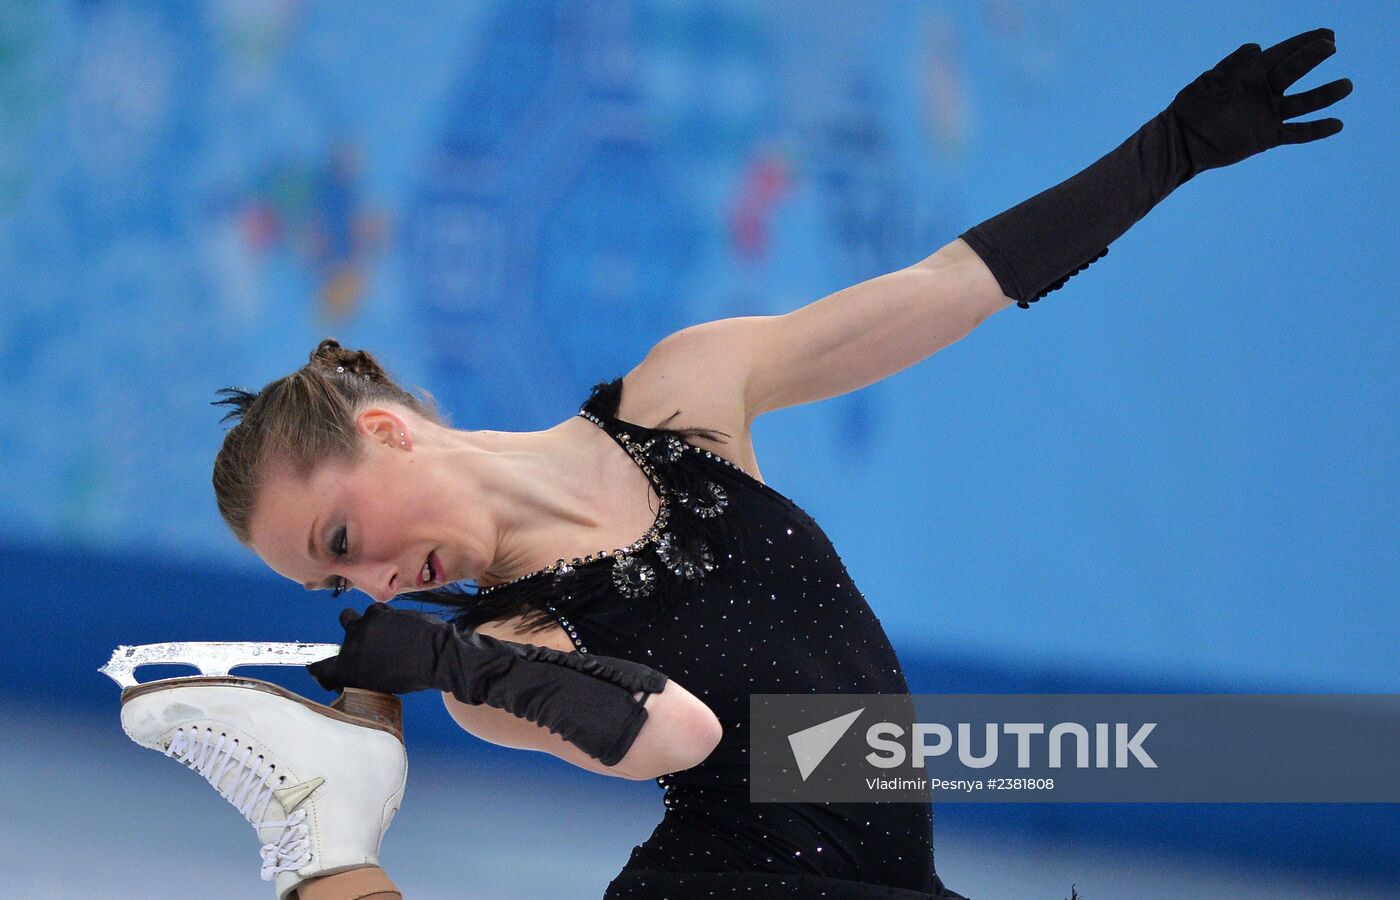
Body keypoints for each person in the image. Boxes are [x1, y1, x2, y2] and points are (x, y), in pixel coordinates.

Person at [135, 27, 1349, 900]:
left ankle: (323, 849)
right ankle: (322, 847)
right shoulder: (496, 655)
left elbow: (944, 290)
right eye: (337, 588)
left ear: (386, 431)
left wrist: (1171, 149)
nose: (379, 588)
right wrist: (455, 659)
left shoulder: (683, 396)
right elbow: (675, 737)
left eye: (344, 541)